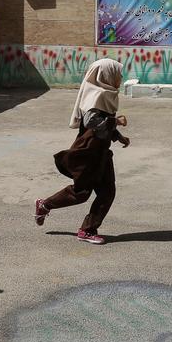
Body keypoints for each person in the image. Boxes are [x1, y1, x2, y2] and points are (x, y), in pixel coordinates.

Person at [34, 59, 130, 245]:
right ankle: (45, 205)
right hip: (89, 151)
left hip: (101, 151)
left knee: (107, 192)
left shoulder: (107, 93)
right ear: (106, 74)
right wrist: (115, 122)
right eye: (118, 73)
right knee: (81, 192)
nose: (121, 77)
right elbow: (92, 122)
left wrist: (118, 136)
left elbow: (103, 123)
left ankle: (88, 230)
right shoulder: (97, 94)